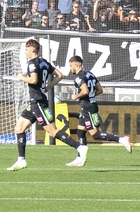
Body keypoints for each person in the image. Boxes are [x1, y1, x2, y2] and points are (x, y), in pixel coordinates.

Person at [8, 39, 87, 171]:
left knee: (52, 131)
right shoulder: (44, 61)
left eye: (27, 49)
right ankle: (21, 159)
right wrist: (48, 87)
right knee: (19, 128)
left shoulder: (32, 63)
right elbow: (60, 75)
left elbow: (33, 80)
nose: (25, 52)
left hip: (38, 102)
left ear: (32, 49)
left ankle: (80, 147)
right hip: (34, 102)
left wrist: (22, 77)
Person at [67, 56, 132, 155]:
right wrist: (90, 96)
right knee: (80, 132)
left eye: (71, 65)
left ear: (77, 64)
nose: (71, 68)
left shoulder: (78, 77)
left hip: (87, 107)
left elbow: (85, 91)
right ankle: (81, 157)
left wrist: (76, 96)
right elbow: (100, 90)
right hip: (90, 105)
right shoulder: (90, 74)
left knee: (95, 134)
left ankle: (121, 139)